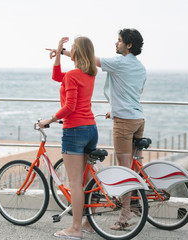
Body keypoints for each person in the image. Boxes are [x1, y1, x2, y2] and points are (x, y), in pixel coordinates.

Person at [57, 28, 146, 230]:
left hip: (124, 121)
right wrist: (114, 109)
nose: (116, 43)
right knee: (133, 165)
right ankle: (135, 202)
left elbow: (88, 58)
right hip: (138, 118)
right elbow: (135, 92)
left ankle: (126, 215)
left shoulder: (119, 62)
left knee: (124, 168)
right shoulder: (140, 67)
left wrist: (62, 52)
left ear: (128, 45)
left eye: (119, 41)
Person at [40, 36, 98, 239]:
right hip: (91, 129)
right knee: (87, 180)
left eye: (71, 48)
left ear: (77, 53)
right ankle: (88, 223)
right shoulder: (90, 73)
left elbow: (70, 107)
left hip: (74, 131)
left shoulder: (73, 75)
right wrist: (58, 51)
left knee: (75, 183)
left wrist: (49, 119)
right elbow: (57, 76)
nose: (69, 50)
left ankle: (75, 229)